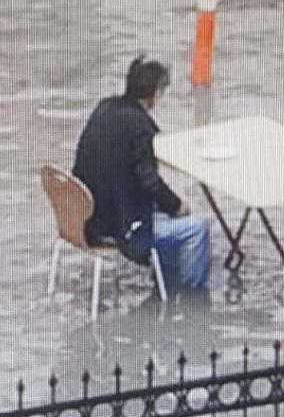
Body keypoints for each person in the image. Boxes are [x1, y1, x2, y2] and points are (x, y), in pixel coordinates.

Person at [72, 56, 213, 291]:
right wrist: (177, 206)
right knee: (197, 227)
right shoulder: (139, 129)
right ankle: (192, 297)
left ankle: (167, 279)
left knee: (167, 214)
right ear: (154, 94)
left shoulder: (106, 107)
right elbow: (150, 182)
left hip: (88, 214)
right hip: (118, 223)